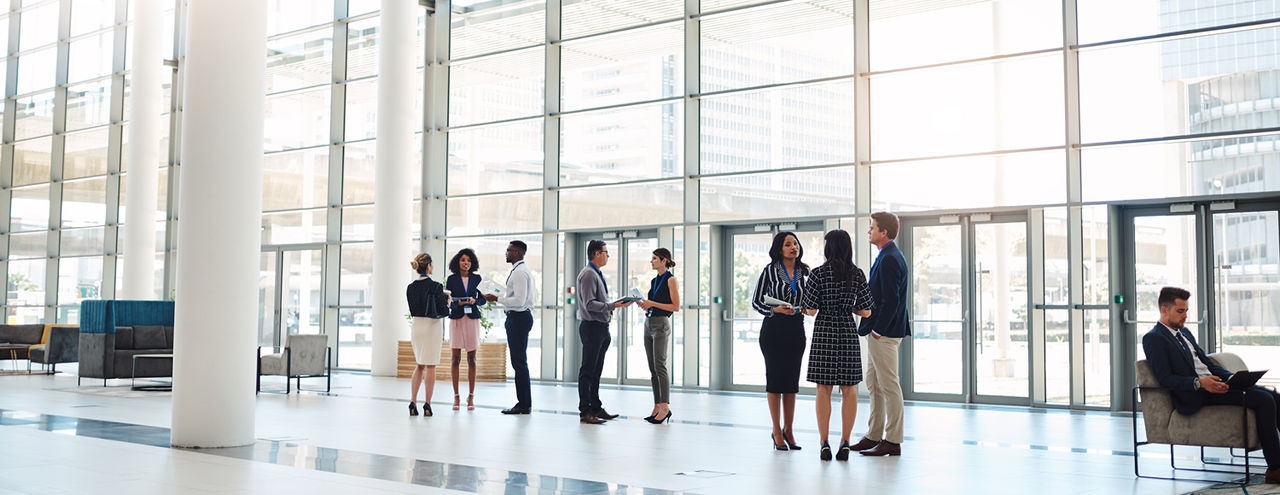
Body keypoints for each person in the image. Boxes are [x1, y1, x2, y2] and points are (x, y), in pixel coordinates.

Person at [1142, 286, 1280, 483]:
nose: (1185, 316)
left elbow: (1207, 364)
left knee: (1273, 395)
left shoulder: (1185, 333)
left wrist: (1231, 378)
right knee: (1264, 401)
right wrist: (1199, 383)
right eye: (1180, 311)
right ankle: (1275, 468)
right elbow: (1165, 379)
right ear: (1164, 310)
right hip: (1196, 394)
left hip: (1215, 386)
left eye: (1186, 310)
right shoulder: (1154, 339)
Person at [801, 229, 873, 461]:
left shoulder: (818, 274)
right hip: (847, 331)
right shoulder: (857, 274)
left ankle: (824, 442)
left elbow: (811, 310)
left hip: (824, 332)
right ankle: (844, 441)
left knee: (823, 388)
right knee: (849, 389)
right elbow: (866, 310)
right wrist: (848, 306)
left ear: (828, 247)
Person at [852, 211, 910, 457]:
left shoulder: (889, 259)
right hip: (879, 332)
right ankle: (874, 435)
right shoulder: (885, 256)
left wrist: (877, 330)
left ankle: (893, 440)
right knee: (874, 383)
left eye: (872, 227)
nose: (869, 231)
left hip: (883, 333)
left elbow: (891, 300)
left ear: (884, 231)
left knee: (888, 384)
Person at [751, 231, 809, 451]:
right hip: (773, 330)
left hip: (796, 330)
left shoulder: (805, 272)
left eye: (795, 243)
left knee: (791, 384)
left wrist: (805, 307)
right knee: (775, 381)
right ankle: (776, 430)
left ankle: (789, 429)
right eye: (788, 244)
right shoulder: (770, 271)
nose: (793, 247)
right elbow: (756, 302)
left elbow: (812, 299)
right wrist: (773, 309)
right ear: (779, 249)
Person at [576, 240, 633, 424]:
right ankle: (585, 411)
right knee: (588, 370)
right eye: (606, 252)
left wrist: (612, 306)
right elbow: (589, 304)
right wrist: (612, 305)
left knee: (596, 371)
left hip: (601, 328)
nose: (608, 256)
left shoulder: (596, 274)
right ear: (597, 253)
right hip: (592, 327)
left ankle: (596, 407)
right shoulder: (588, 275)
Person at [483, 240, 537, 415]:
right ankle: (524, 402)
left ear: (518, 252)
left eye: (509, 250)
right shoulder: (519, 271)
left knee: (519, 362)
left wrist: (496, 298)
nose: (506, 253)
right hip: (519, 317)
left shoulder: (520, 273)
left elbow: (519, 301)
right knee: (519, 362)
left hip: (519, 318)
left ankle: (523, 404)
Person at [636, 248, 680, 425]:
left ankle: (665, 407)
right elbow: (653, 304)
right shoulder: (654, 281)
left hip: (661, 324)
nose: (651, 261)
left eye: (654, 258)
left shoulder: (671, 280)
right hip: (649, 322)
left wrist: (652, 303)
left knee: (660, 365)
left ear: (664, 260)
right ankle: (657, 405)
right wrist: (644, 304)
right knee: (652, 367)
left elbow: (675, 306)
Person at [405, 253, 450, 417]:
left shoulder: (410, 287)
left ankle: (412, 401)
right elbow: (444, 311)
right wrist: (448, 301)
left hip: (416, 326)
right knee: (430, 366)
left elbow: (412, 309)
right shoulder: (436, 286)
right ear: (429, 265)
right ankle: (428, 404)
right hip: (431, 327)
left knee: (419, 364)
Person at [446, 248, 486, 411]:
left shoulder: (477, 279)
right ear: (458, 261)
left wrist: (474, 300)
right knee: (455, 359)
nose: (466, 263)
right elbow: (447, 300)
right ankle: (456, 397)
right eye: (463, 260)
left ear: (472, 263)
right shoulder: (451, 279)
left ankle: (471, 397)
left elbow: (483, 300)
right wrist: (459, 303)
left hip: (472, 320)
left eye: (469, 260)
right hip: (456, 319)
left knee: (472, 359)